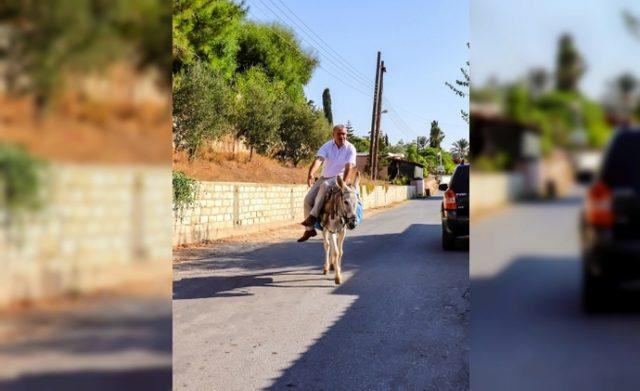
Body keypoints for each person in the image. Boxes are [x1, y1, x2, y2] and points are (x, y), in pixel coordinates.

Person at [297, 124, 357, 242]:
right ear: (333, 135)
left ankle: (313, 216)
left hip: (339, 178)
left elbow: (349, 166)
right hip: (324, 177)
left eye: (344, 134)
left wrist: (343, 183)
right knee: (307, 200)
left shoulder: (351, 148)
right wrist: (311, 173)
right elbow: (319, 159)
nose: (342, 136)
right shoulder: (327, 146)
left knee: (326, 186)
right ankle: (310, 230)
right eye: (339, 133)